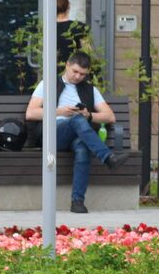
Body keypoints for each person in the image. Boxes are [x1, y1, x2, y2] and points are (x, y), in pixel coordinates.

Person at [24, 51, 125, 214]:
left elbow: (110, 117)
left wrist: (89, 115)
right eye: (75, 71)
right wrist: (59, 112)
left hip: (77, 135)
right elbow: (31, 113)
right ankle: (107, 157)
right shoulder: (48, 83)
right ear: (67, 66)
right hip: (52, 134)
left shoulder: (90, 89)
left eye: (82, 74)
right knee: (77, 120)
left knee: (82, 147)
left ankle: (77, 201)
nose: (78, 77)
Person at [55, 0, 89, 68]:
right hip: (74, 70)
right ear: (68, 6)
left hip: (52, 70)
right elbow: (87, 52)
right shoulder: (78, 27)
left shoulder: (47, 28)